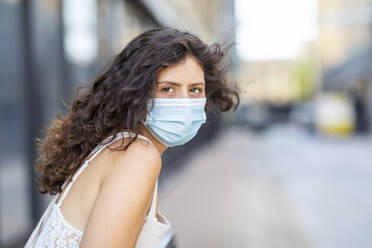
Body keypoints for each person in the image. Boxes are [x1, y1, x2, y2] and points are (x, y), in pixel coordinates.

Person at [24, 27, 239, 248]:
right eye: (167, 89)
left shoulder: (119, 146)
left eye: (195, 90)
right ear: (137, 92)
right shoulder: (137, 156)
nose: (184, 101)